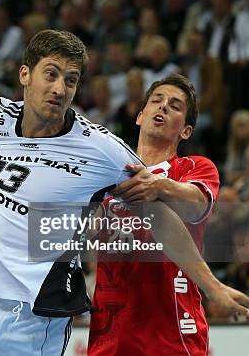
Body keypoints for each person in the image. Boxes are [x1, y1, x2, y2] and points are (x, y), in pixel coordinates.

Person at [0, 23, 249, 354]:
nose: (59, 88)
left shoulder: (105, 152)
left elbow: (164, 219)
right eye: (51, 74)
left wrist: (212, 286)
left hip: (34, 324)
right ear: (25, 74)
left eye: (70, 80)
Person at [88, 74, 219, 354]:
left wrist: (157, 185)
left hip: (171, 336)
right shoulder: (105, 174)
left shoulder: (194, 168)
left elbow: (197, 205)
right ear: (139, 116)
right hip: (109, 337)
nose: (162, 107)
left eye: (175, 106)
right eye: (157, 101)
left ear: (186, 131)